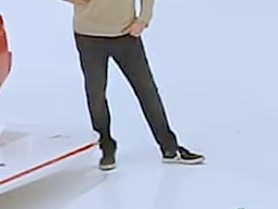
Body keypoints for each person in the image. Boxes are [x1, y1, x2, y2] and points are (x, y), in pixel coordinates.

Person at [62, 0, 204, 171]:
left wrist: (143, 19)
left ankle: (170, 148)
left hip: (125, 33)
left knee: (147, 91)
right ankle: (106, 147)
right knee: (96, 94)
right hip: (88, 35)